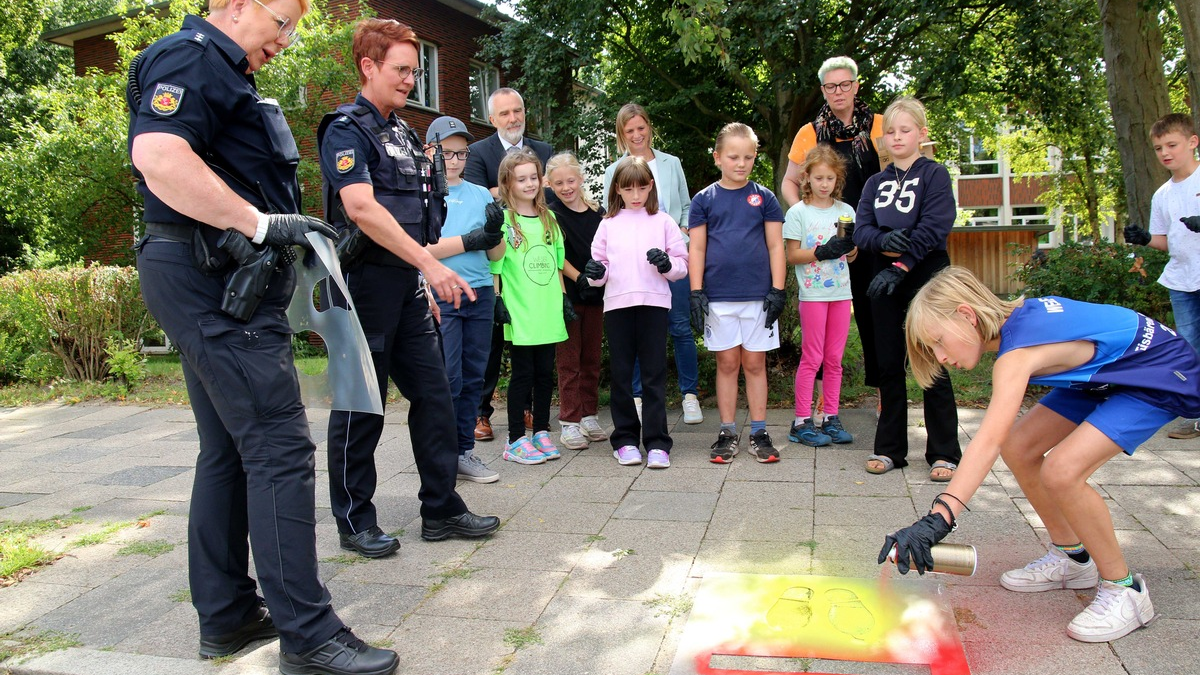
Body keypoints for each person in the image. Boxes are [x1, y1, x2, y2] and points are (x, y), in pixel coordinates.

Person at [127, 2, 397, 673]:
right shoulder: (190, 57)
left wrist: (293, 229)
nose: (288, 37)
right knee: (278, 444)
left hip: (212, 271)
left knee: (227, 447)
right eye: (282, 20)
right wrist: (257, 223)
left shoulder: (224, 70)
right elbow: (158, 155)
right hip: (209, 275)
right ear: (234, 4)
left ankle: (227, 615)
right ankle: (309, 636)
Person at [882, 265, 1200, 643]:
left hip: (1156, 372)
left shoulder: (1019, 351)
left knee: (1063, 471)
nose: (939, 356)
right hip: (1103, 374)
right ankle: (1073, 558)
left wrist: (939, 518)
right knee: (1020, 446)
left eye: (937, 341)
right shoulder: (1017, 325)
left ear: (966, 315)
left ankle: (1125, 591)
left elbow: (986, 440)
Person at [318, 19, 500, 559]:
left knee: (435, 397)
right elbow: (361, 208)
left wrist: (420, 278)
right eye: (401, 70)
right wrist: (431, 265)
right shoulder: (345, 130)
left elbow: (416, 217)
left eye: (414, 72)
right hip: (362, 288)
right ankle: (355, 521)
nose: (409, 81)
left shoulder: (401, 132)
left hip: (405, 287)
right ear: (369, 67)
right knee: (361, 407)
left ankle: (440, 508)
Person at [852, 97, 960, 481]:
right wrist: (882, 242)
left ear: (921, 134)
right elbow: (861, 229)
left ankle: (944, 451)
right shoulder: (874, 183)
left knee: (933, 358)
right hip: (883, 277)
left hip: (926, 275)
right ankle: (890, 448)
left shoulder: (934, 174)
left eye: (905, 130)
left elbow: (935, 226)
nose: (897, 138)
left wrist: (903, 263)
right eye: (891, 132)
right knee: (888, 361)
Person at [781, 56, 888, 422]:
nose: (838, 91)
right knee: (823, 331)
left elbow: (896, 178)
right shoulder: (809, 133)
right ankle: (823, 408)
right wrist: (808, 217)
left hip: (872, 240)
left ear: (857, 86)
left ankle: (883, 394)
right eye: (830, 86)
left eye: (844, 84)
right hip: (827, 249)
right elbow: (789, 182)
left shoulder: (881, 127)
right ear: (823, 90)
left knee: (877, 319)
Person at [688, 123, 787, 464]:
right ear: (718, 158)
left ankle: (759, 431)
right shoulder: (703, 200)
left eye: (748, 157)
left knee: (755, 363)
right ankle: (727, 431)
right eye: (733, 157)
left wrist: (778, 290)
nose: (741, 163)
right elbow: (697, 248)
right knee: (728, 362)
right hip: (719, 297)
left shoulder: (766, 198)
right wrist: (696, 291)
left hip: (758, 297)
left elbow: (776, 246)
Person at [584, 156, 688, 468]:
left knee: (655, 374)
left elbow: (681, 266)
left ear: (651, 186)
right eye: (628, 188)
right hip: (618, 306)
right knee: (621, 375)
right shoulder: (608, 224)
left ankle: (657, 442)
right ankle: (625, 439)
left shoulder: (664, 221)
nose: (636, 195)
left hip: (654, 305)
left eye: (642, 187)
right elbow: (598, 268)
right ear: (617, 189)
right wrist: (594, 273)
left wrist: (667, 264)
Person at [602, 103, 703, 425]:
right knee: (634, 334)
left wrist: (682, 232)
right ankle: (638, 397)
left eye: (641, 128)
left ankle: (690, 395)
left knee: (680, 327)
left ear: (650, 127)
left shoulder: (671, 163)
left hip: (671, 259)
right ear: (622, 134)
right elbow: (611, 213)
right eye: (629, 130)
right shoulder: (613, 170)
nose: (636, 135)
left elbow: (686, 204)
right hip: (633, 267)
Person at [464, 88, 554, 443]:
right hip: (497, 257)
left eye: (518, 111)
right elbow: (475, 196)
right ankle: (481, 413)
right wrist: (517, 190)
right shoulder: (477, 152)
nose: (513, 118)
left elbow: (549, 197)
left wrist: (505, 189)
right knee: (490, 344)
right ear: (492, 119)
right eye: (505, 113)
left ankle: (529, 408)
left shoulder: (543, 150)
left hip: (535, 261)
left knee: (532, 344)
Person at [423, 116, 505, 483]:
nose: (455, 160)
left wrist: (493, 231)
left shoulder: (480, 193)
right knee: (449, 377)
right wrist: (472, 239)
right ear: (430, 152)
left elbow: (496, 255)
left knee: (475, 376)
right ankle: (443, 453)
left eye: (461, 153)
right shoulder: (423, 193)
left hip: (481, 292)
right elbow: (423, 249)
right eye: (447, 153)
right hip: (444, 295)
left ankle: (464, 451)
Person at [1123, 112, 1200, 440]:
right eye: (1158, 148)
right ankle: (1193, 414)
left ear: (1192, 142)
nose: (1165, 152)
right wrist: (1143, 238)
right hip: (1182, 280)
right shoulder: (1162, 194)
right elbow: (1165, 241)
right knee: (1189, 350)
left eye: (1172, 144)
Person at [490, 149, 571, 464]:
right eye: (520, 179)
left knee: (544, 374)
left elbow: (557, 262)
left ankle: (540, 431)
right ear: (508, 183)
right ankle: (514, 440)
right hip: (521, 309)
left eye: (533, 177)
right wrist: (497, 300)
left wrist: (564, 297)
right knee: (522, 375)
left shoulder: (549, 217)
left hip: (548, 308)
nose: (528, 184)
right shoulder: (506, 220)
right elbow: (496, 265)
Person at [782, 145, 857, 447]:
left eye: (830, 178)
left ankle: (830, 416)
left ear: (837, 180)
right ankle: (801, 420)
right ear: (807, 178)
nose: (824, 184)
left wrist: (849, 249)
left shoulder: (846, 211)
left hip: (841, 293)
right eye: (819, 178)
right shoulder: (798, 212)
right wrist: (820, 251)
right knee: (812, 357)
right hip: (812, 295)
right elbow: (792, 255)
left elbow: (852, 255)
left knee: (834, 359)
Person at [547, 153, 609, 450]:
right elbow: (556, 257)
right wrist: (579, 278)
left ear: (581, 179)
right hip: (568, 295)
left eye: (571, 180)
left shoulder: (600, 213)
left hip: (596, 294)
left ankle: (589, 415)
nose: (566, 187)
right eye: (559, 182)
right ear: (549, 184)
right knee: (569, 360)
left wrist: (597, 278)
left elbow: (609, 249)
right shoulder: (550, 214)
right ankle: (569, 421)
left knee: (591, 358)